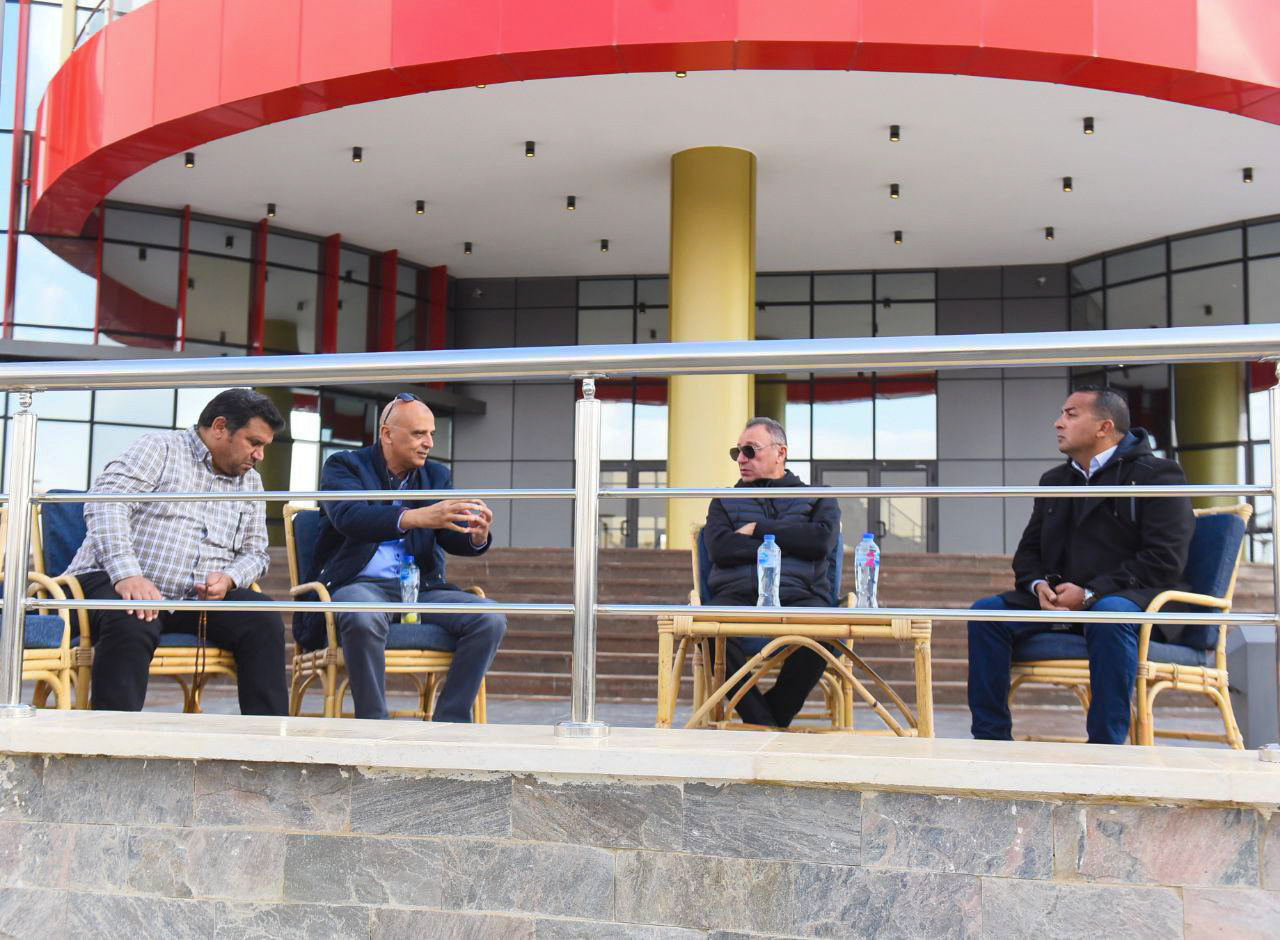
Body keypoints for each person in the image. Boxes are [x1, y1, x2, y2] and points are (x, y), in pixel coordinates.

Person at [967, 385, 1194, 745]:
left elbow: (1165, 559)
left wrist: (1090, 593)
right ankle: (990, 740)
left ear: (1105, 427)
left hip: (1132, 600)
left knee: (1108, 613)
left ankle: (1105, 746)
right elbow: (1027, 554)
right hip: (1062, 600)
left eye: (1071, 415)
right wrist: (1038, 586)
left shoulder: (1158, 474)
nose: (1058, 423)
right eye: (1061, 414)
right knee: (986, 614)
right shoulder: (1054, 481)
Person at [64, 388, 288, 714]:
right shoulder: (160, 449)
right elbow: (106, 503)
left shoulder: (250, 483)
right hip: (111, 581)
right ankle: (112, 736)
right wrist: (128, 574)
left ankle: (266, 737)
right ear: (220, 427)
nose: (260, 456)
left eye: (264, 446)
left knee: (263, 618)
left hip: (194, 600)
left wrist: (229, 578)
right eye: (254, 443)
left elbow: (257, 553)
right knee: (133, 615)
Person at [294, 392, 505, 721]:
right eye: (419, 434)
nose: (429, 443)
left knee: (490, 618)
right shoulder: (344, 466)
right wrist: (417, 517)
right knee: (361, 612)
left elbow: (449, 535)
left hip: (421, 589)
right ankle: (374, 724)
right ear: (387, 434)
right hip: (358, 584)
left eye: (431, 434)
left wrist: (476, 536)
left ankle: (450, 723)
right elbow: (350, 518)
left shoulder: (435, 475)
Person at [702, 416, 841, 728]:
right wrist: (791, 541)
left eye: (750, 450)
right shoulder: (724, 501)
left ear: (781, 452)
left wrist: (757, 529)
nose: (741, 459)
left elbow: (820, 541)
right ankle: (767, 722)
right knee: (706, 626)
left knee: (828, 628)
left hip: (801, 595)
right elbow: (721, 549)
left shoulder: (818, 495)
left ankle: (764, 720)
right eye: (737, 452)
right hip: (738, 595)